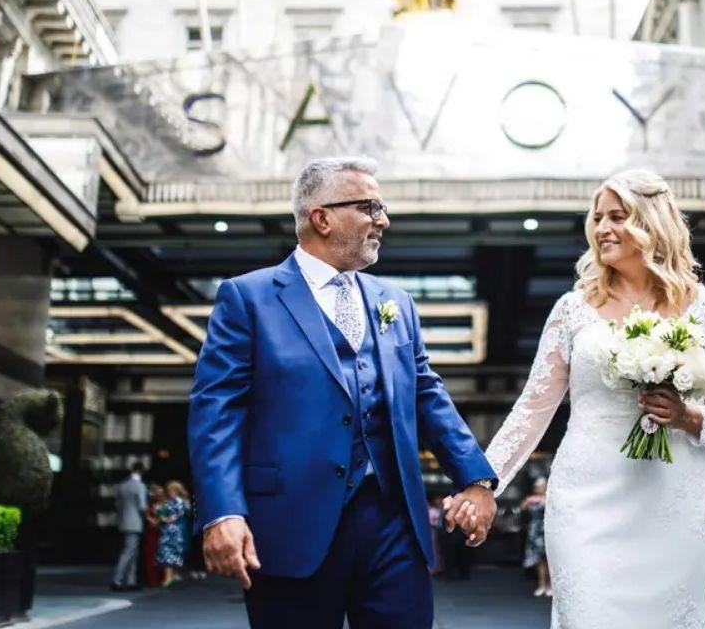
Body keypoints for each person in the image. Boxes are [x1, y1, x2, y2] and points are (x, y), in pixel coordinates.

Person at [188, 156, 497, 629]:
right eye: (370, 207)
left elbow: (426, 394)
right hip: (290, 524)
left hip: (394, 524)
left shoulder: (395, 302)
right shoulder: (247, 298)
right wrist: (221, 511)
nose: (383, 220)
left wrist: (475, 478)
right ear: (322, 217)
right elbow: (216, 413)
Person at [475, 170, 705, 628]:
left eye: (617, 217)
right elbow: (531, 411)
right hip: (586, 499)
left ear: (651, 222)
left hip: (674, 497)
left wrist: (688, 416)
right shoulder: (572, 309)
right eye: (597, 218)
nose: (602, 228)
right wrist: (483, 481)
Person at [110, 462, 147, 592]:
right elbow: (142, 506)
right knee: (128, 552)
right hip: (135, 521)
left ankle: (132, 581)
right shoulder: (140, 486)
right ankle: (117, 580)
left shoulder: (122, 486)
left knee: (133, 552)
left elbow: (117, 505)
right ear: (142, 471)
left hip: (123, 521)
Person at [156, 481, 191, 589]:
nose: (169, 493)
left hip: (171, 531)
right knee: (173, 552)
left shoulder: (177, 502)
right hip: (176, 530)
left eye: (170, 490)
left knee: (167, 552)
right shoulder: (181, 502)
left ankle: (168, 578)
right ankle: (173, 575)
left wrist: (163, 517)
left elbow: (173, 516)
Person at [521, 477, 550, 597]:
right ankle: (542, 585)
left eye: (540, 486)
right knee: (539, 560)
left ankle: (550, 586)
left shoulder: (550, 498)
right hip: (535, 530)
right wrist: (529, 501)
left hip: (546, 530)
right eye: (537, 487)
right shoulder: (532, 499)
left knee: (549, 560)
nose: (538, 489)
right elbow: (522, 507)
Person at [142, 483, 165, 588]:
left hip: (162, 532)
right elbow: (147, 517)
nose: (159, 495)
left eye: (160, 493)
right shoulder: (149, 506)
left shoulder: (165, 505)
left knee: (160, 554)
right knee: (151, 555)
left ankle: (161, 578)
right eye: (157, 493)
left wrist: (159, 520)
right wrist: (151, 519)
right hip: (151, 533)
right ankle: (152, 580)